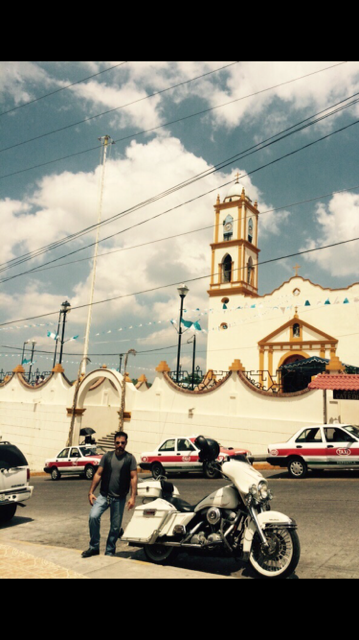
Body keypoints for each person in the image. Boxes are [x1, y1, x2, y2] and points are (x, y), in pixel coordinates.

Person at [81, 431, 137, 558]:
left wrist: (133, 497)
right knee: (93, 516)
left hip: (119, 498)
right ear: (114, 443)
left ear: (126, 443)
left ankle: (109, 551)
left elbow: (134, 477)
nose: (120, 445)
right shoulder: (107, 457)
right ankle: (94, 547)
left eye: (122, 443)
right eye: (117, 443)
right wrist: (90, 492)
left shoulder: (130, 459)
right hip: (104, 496)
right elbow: (98, 474)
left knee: (115, 527)